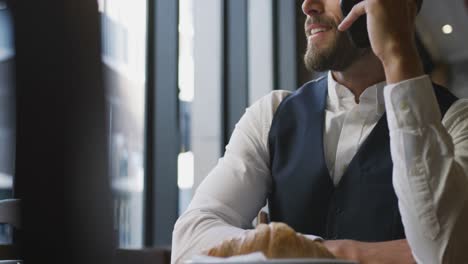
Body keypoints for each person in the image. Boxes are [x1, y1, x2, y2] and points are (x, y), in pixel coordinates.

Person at [172, 0, 468, 263]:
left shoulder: (457, 120)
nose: (307, 5)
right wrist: (369, 254)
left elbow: (445, 254)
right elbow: (189, 241)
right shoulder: (272, 113)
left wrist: (398, 54)